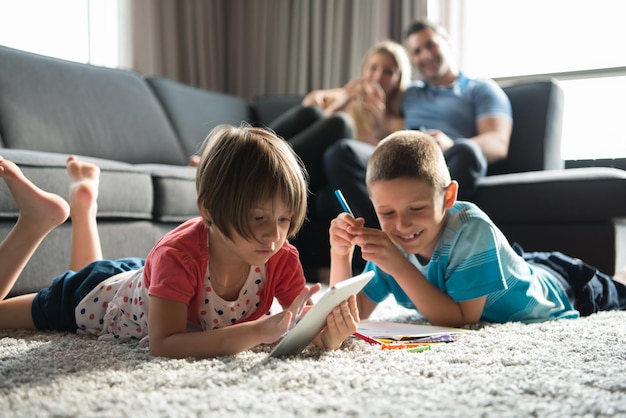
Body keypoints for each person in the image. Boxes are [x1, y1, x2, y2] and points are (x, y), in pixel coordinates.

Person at [0, 124, 360, 359]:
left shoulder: (280, 257)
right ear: (210, 210)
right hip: (95, 292)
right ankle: (36, 220)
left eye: (284, 219)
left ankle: (84, 204)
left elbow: (300, 323)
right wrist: (256, 331)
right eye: (259, 218)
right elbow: (165, 344)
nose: (274, 235)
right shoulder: (179, 255)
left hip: (148, 283)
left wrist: (325, 335)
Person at [329, 130, 626, 327]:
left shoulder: (472, 229)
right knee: (519, 262)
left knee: (617, 291)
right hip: (511, 265)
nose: (401, 225)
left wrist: (398, 266)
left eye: (416, 209)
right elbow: (352, 315)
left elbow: (460, 319)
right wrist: (340, 255)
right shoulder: (390, 243)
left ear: (448, 196)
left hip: (565, 287)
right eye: (387, 212)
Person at [320, 19, 513, 234]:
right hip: (402, 155)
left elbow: (498, 142)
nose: (425, 55)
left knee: (469, 151)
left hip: (447, 158)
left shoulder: (480, 89)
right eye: (417, 51)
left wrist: (451, 144)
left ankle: (437, 240)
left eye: (430, 45)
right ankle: (378, 243)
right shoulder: (410, 93)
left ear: (447, 42)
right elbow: (326, 98)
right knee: (341, 151)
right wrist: (337, 97)